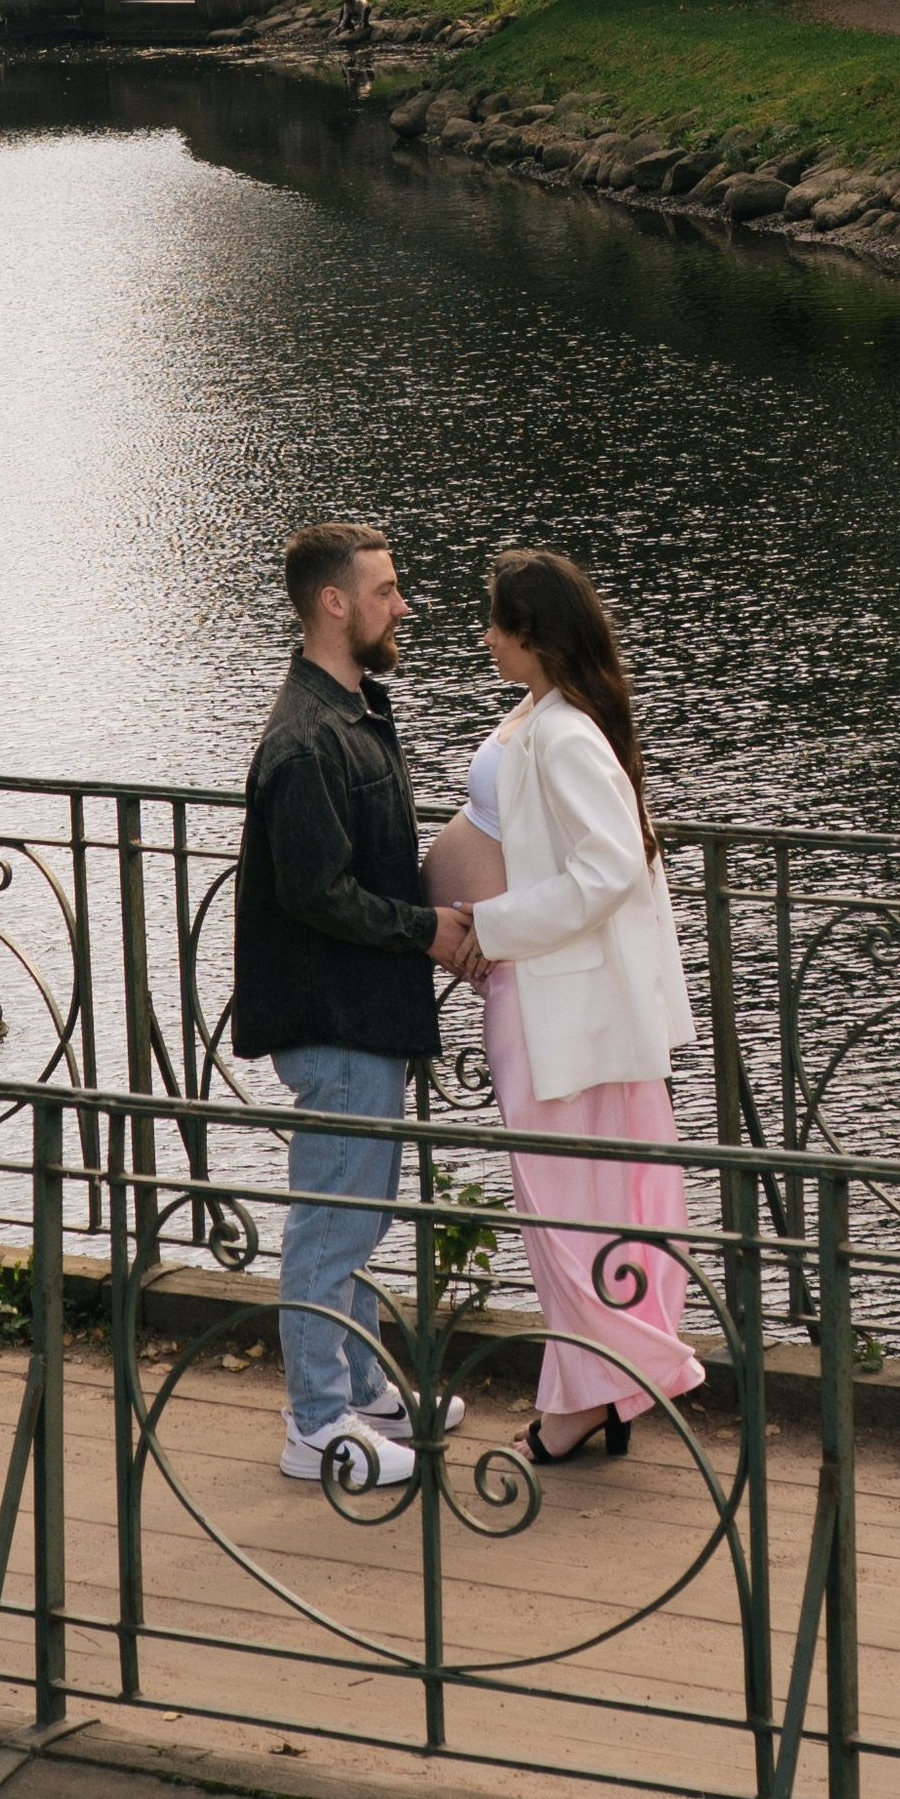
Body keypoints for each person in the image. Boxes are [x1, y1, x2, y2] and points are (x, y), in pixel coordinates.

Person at [419, 549, 702, 1467]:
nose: (486, 636)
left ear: (534, 635)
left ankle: (597, 1394)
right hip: (534, 990)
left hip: (553, 1000)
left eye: (498, 622)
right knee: (573, 1204)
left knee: (563, 1207)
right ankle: (600, 1389)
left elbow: (611, 867)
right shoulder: (545, 712)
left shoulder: (570, 733)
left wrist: (490, 926)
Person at [233, 521, 482, 1491]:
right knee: (331, 1218)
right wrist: (427, 930)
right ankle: (316, 1424)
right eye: (384, 590)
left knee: (360, 1209)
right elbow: (316, 892)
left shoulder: (347, 710)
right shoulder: (305, 739)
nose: (402, 603)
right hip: (333, 1017)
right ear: (333, 603)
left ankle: (360, 1390)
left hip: (362, 1010)